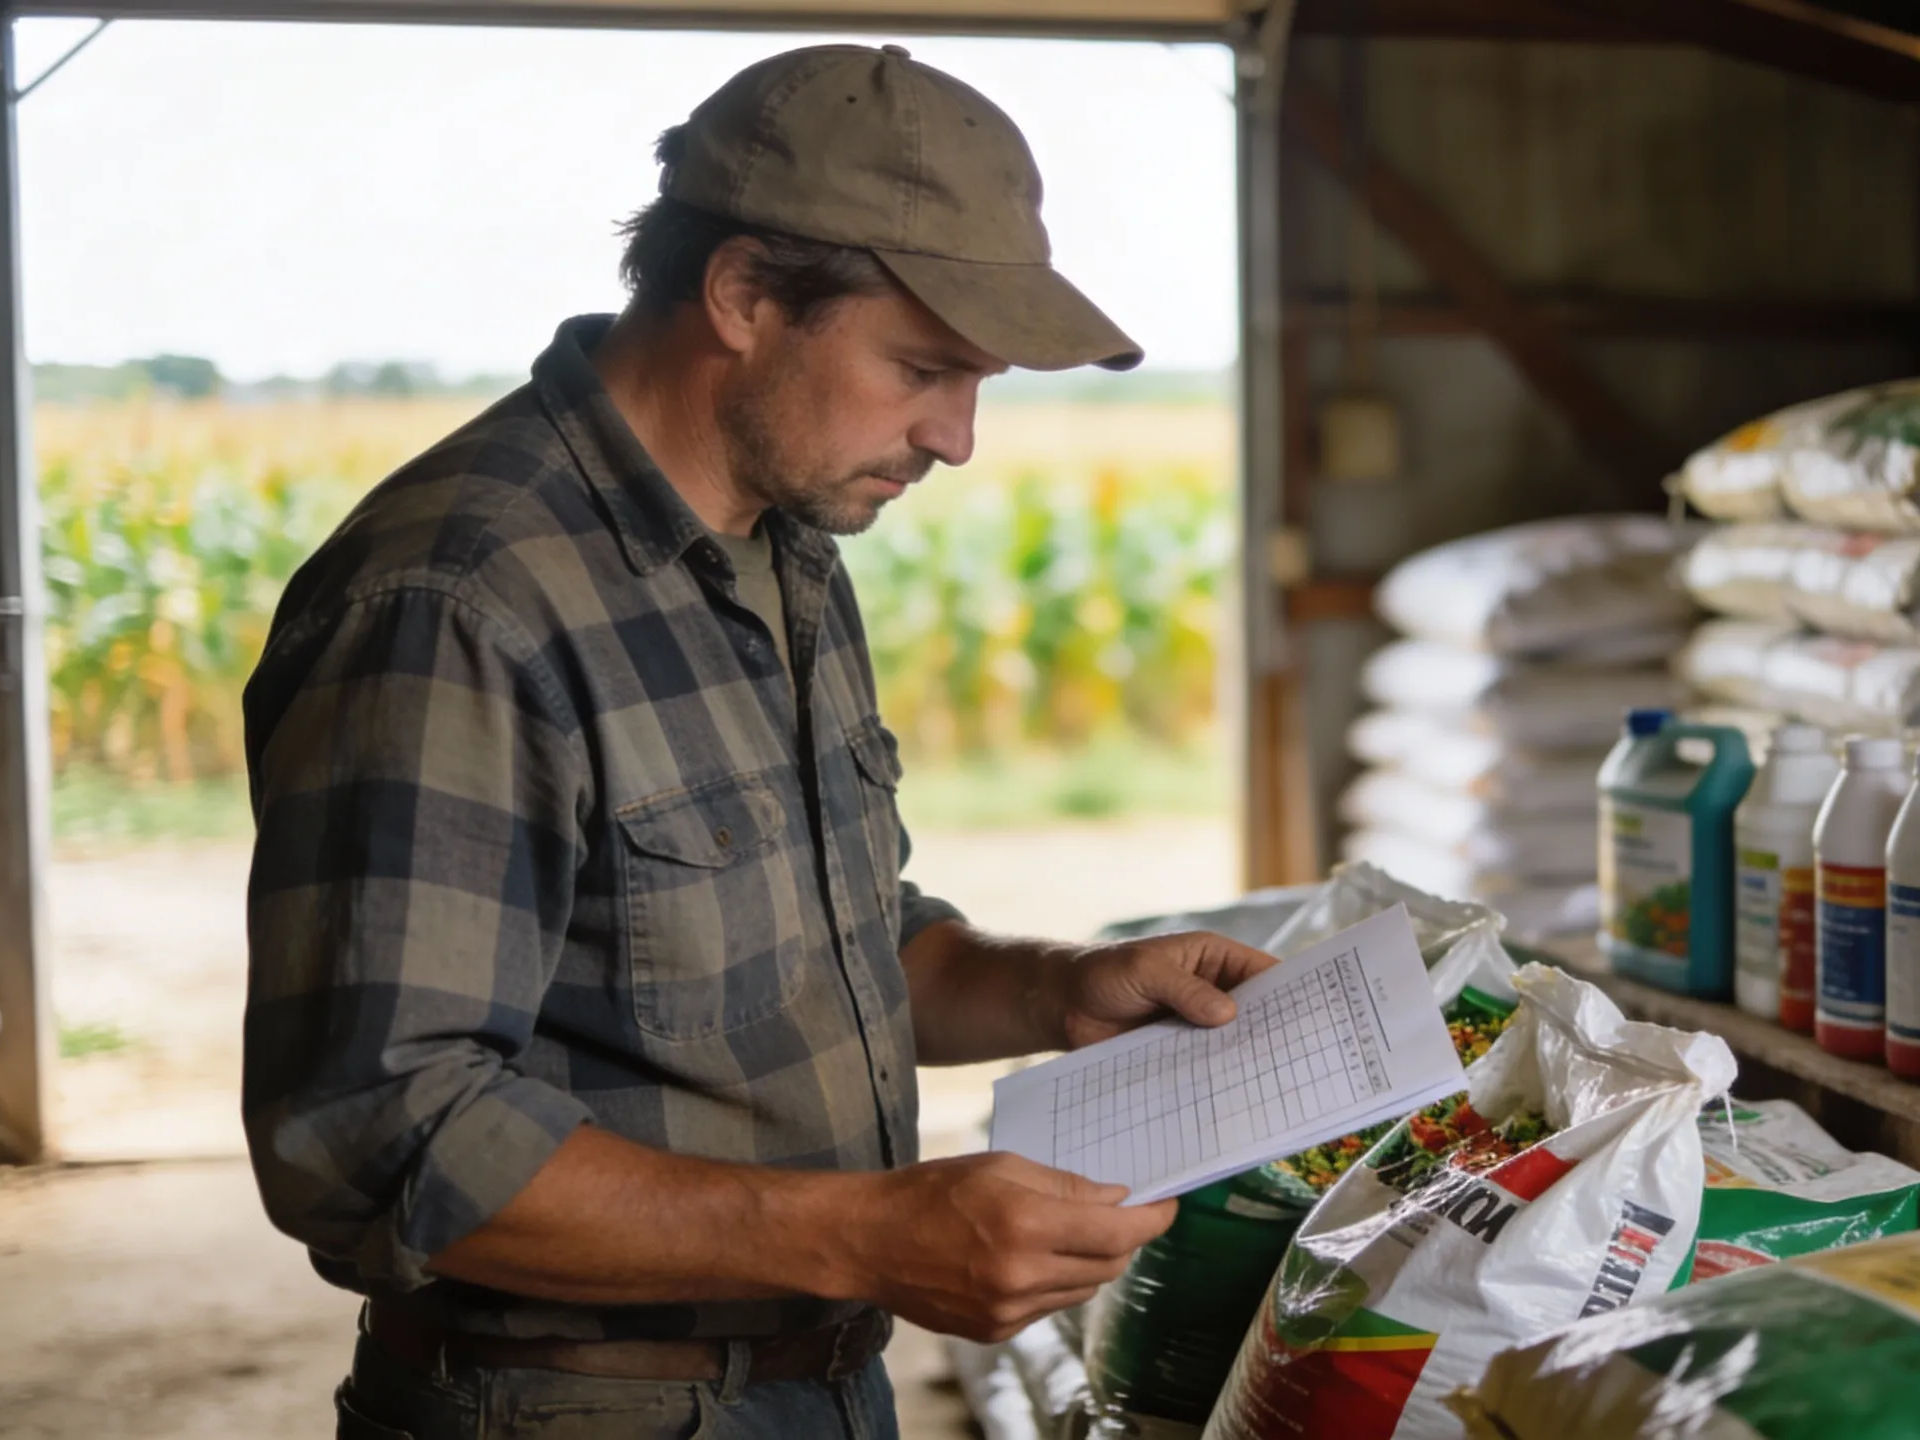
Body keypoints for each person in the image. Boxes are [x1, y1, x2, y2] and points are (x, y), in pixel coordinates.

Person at [240, 45, 1275, 1440]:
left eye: (980, 383)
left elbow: (833, 949)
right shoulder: (460, 601)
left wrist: (1059, 990)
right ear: (741, 295)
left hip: (817, 1390)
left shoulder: (781, 551)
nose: (957, 438)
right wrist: (864, 1237)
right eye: (923, 367)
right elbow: (377, 1131)